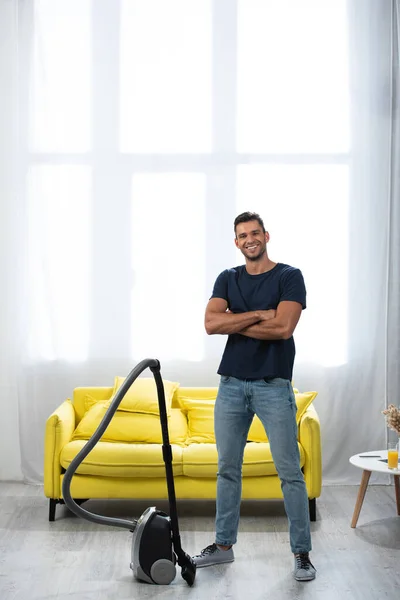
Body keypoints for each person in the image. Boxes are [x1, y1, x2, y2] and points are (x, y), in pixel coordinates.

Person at [192, 211, 316, 582]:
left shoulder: (289, 277)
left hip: (273, 386)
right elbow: (212, 323)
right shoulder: (227, 277)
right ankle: (224, 548)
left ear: (266, 236)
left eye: (255, 233)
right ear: (236, 242)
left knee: (290, 473)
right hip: (230, 385)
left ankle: (302, 554)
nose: (249, 239)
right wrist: (259, 314)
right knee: (227, 469)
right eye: (242, 235)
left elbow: (283, 328)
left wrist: (238, 318)